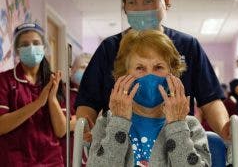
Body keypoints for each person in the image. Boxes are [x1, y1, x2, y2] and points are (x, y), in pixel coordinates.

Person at [76, 0, 233, 142]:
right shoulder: (109, 49)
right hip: (122, 146)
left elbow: (210, 100)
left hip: (177, 142)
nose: (140, 8)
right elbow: (88, 101)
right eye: (132, 2)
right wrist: (84, 129)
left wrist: (224, 127)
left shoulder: (187, 46)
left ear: (165, 1)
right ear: (124, 7)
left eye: (149, 1)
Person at [87, 29, 211, 166]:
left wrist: (177, 126)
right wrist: (119, 123)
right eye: (140, 68)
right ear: (124, 74)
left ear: (173, 74)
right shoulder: (107, 122)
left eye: (158, 67)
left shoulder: (190, 126)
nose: (150, 76)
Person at [0, 23, 65, 166]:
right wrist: (38, 103)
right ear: (17, 50)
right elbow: (1, 125)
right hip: (16, 161)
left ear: (44, 47)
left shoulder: (54, 81)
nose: (31, 48)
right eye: (25, 44)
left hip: (51, 161)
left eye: (36, 43)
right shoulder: (4, 81)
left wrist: (52, 99)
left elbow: (61, 131)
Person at [59, 53, 92, 166]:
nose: (87, 72)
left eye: (90, 68)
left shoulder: (95, 95)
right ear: (72, 70)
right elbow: (63, 126)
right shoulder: (64, 92)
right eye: (83, 67)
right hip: (66, 156)